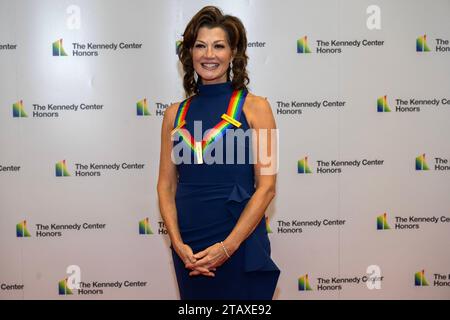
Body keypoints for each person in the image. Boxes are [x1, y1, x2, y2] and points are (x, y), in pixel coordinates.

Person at [157, 5, 280, 300]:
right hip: (189, 248)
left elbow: (267, 187)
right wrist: (177, 244)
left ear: (233, 52)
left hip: (239, 241)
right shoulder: (174, 114)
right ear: (190, 53)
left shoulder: (257, 107)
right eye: (200, 45)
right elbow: (166, 185)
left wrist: (227, 248)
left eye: (218, 46)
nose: (208, 54)